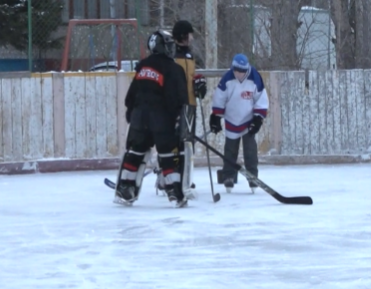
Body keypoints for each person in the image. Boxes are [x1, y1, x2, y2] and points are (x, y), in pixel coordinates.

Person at [113, 30, 189, 207]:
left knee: (135, 153)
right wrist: (177, 119)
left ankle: (126, 188)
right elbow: (177, 98)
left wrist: (131, 113)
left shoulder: (143, 66)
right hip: (161, 119)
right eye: (169, 45)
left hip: (139, 118)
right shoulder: (173, 68)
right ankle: (174, 192)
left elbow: (130, 96)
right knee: (169, 155)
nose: (172, 49)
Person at [209, 54, 269, 193]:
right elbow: (219, 98)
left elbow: (261, 99)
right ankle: (228, 177)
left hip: (248, 121)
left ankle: (252, 177)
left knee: (250, 151)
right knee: (230, 150)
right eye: (236, 70)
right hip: (231, 119)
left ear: (246, 69)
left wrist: (258, 119)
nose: (239, 73)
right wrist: (216, 117)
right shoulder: (227, 79)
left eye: (242, 71)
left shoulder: (255, 78)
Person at [171, 19, 205, 198]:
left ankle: (185, 179)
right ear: (183, 36)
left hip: (190, 104)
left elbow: (192, 77)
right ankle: (170, 179)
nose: (192, 38)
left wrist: (199, 85)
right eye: (190, 34)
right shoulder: (172, 55)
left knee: (187, 143)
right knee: (175, 144)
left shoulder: (191, 56)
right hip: (175, 105)